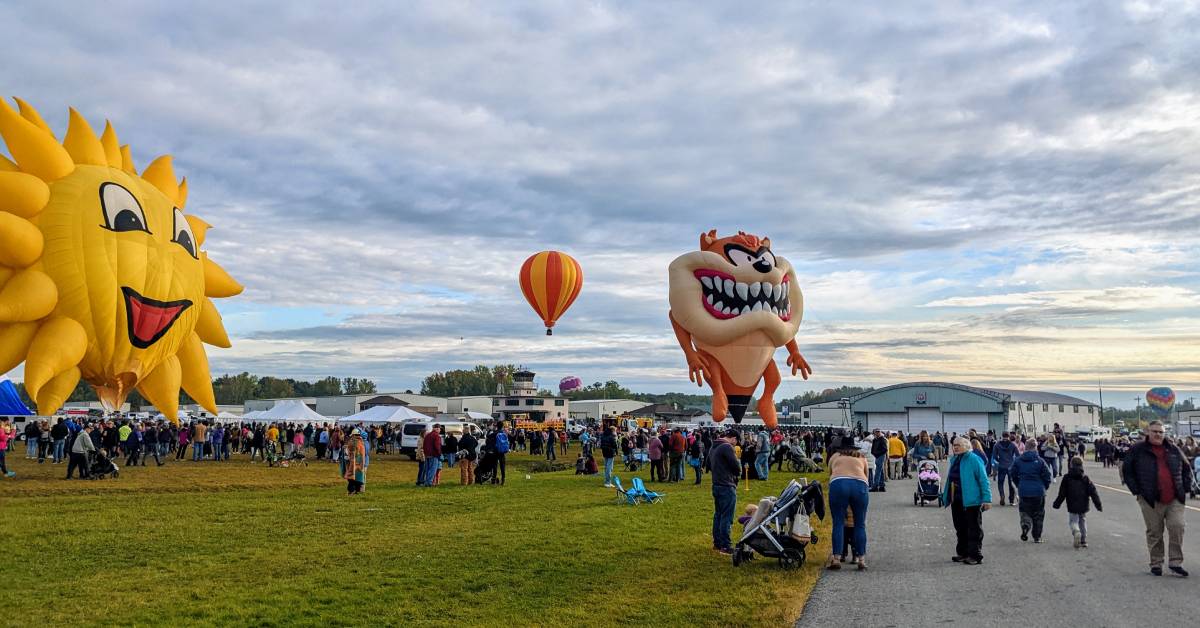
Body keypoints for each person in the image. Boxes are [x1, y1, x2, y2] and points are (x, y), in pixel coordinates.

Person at [1123, 420, 1190, 576]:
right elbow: (1127, 470)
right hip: (1150, 498)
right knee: (1155, 532)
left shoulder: (1173, 449)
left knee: (1177, 527)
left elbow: (1186, 467)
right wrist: (1137, 491)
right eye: (1154, 431)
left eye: (1160, 432)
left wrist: (1185, 487)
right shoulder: (1137, 450)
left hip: (1174, 498)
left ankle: (1175, 562)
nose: (1158, 434)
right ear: (1148, 432)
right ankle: (1156, 563)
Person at [942, 436, 992, 564]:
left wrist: (987, 499)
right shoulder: (955, 459)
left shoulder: (974, 459)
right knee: (960, 527)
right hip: (957, 499)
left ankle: (975, 555)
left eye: (958, 445)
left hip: (972, 500)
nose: (955, 447)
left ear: (967, 446)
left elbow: (983, 480)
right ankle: (963, 553)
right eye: (954, 445)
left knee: (974, 529)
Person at [827, 435, 870, 570]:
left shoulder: (835, 457)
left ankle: (836, 558)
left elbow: (830, 472)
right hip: (860, 485)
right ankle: (861, 558)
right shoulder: (861, 457)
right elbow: (866, 475)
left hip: (839, 484)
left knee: (838, 522)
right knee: (860, 524)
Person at [1053, 456, 1102, 549]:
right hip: (1084, 503)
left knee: (1073, 521)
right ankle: (1083, 540)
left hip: (1072, 503)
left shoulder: (1067, 478)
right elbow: (1093, 492)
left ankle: (1076, 531)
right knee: (1082, 520)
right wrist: (1098, 505)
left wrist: (1057, 503)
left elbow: (1062, 493)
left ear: (1071, 465)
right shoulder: (1085, 478)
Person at [1011, 438, 1052, 543]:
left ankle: (1025, 524)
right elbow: (1048, 476)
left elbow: (1013, 474)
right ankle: (1037, 537)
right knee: (1038, 514)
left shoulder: (1018, 460)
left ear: (1026, 447)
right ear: (1035, 448)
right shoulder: (1040, 461)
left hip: (1024, 490)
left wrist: (1019, 484)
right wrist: (1044, 486)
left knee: (1024, 511)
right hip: (1038, 491)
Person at [707, 428, 741, 555]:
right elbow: (736, 467)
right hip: (727, 485)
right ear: (734, 438)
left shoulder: (714, 446)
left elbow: (708, 464)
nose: (735, 445)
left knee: (718, 515)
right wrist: (736, 472)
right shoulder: (727, 447)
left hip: (716, 484)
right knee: (727, 516)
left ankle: (717, 543)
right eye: (736, 442)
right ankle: (726, 546)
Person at [991, 433, 1019, 506]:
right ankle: (1011, 500)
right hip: (1011, 466)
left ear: (1002, 436)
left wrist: (999, 460)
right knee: (1011, 483)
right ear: (1009, 436)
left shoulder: (997, 445)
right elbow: (1018, 455)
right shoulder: (1013, 445)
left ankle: (1002, 495)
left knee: (1000, 482)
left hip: (1001, 465)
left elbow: (994, 456)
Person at [341, 428, 367, 495]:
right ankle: (357, 491)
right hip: (360, 465)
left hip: (352, 464)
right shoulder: (362, 443)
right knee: (358, 478)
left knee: (351, 479)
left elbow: (348, 454)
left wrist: (345, 451)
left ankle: (351, 491)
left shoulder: (352, 442)